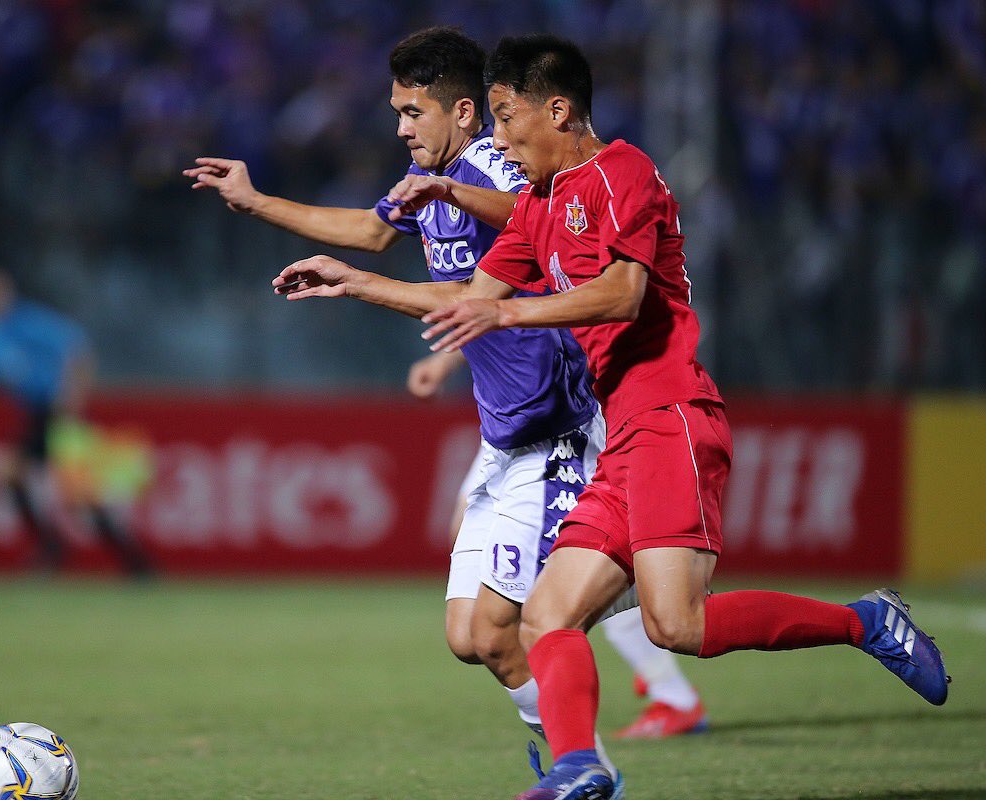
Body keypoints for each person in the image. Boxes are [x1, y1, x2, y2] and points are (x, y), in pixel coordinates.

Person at [274, 35, 950, 800]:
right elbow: (469, 300)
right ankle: (580, 767)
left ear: (556, 109)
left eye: (505, 117)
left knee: (677, 626)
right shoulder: (539, 206)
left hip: (672, 416)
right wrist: (355, 280)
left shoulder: (621, 172)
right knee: (545, 617)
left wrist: (512, 316)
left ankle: (864, 622)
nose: (496, 138)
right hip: (619, 434)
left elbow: (622, 295)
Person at [188, 27, 643, 782]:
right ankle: (581, 756)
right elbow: (370, 231)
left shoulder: (497, 170)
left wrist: (369, 285)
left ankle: (581, 763)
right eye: (395, 111)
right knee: (473, 637)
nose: (399, 127)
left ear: (464, 111)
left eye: (411, 111)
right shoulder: (429, 184)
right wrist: (255, 201)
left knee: (557, 623)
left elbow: (509, 251)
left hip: (558, 428)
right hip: (507, 437)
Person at [407, 350, 706, 739]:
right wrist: (445, 360)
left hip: (566, 422)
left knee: (537, 612)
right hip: (505, 425)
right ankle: (644, 596)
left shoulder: (570, 293)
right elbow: (481, 303)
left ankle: (646, 711)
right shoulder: (494, 299)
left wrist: (363, 285)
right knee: (470, 627)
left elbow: (508, 306)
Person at [0, 263, 152, 577]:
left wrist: (73, 393)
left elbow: (77, 348)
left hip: (57, 413)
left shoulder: (27, 321)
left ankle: (133, 561)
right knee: (10, 478)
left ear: (4, 291)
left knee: (80, 495)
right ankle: (54, 547)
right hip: (33, 414)